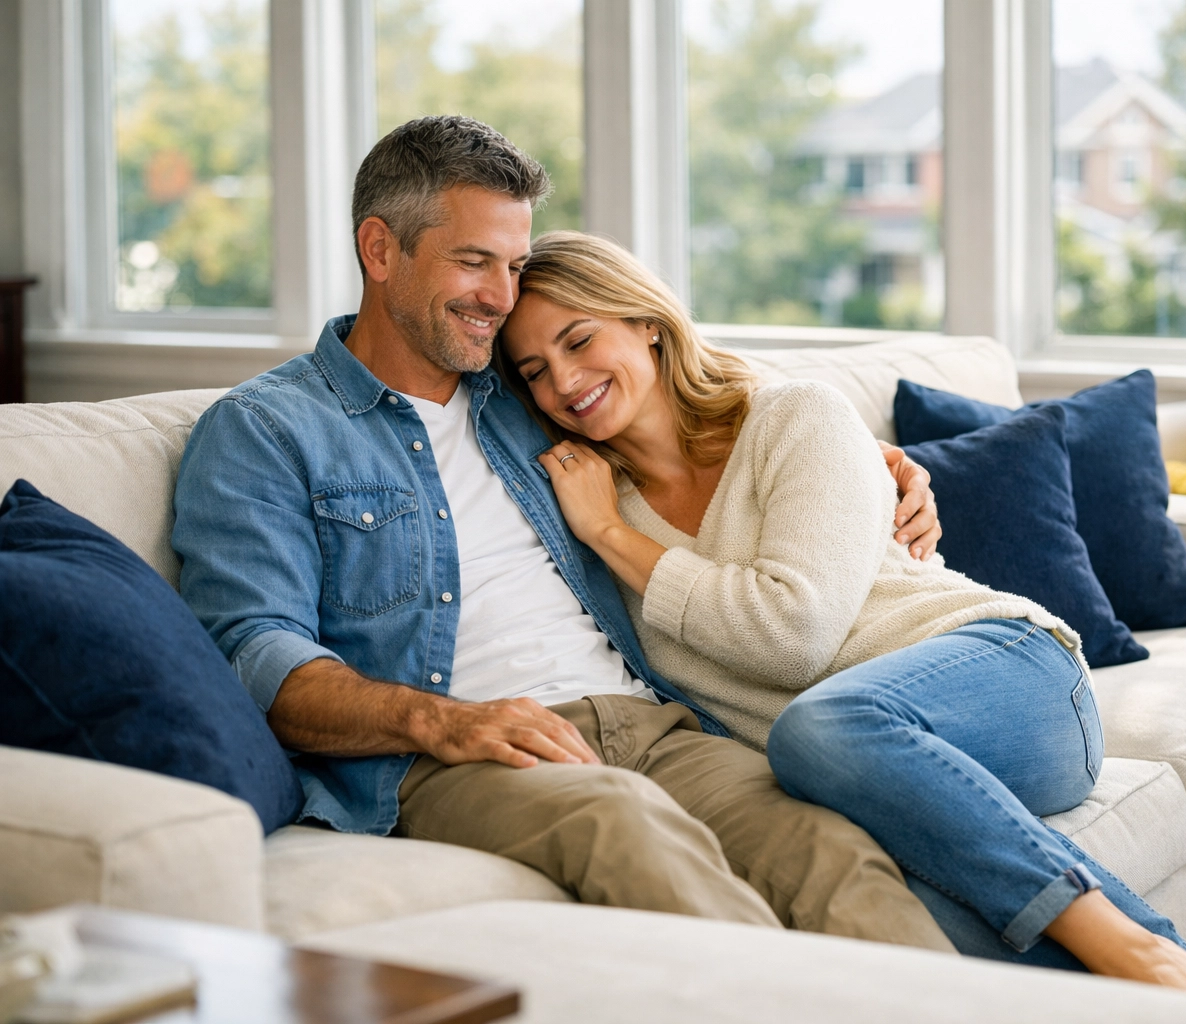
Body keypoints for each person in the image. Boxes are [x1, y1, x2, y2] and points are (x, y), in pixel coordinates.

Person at [172, 114, 958, 952]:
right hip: (463, 756)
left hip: (650, 723)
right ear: (380, 249)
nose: (502, 298)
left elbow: (695, 401)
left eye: (512, 266)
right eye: (473, 261)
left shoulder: (527, 400)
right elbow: (256, 654)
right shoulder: (266, 430)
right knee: (625, 827)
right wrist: (443, 722)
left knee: (825, 847)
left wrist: (870, 460)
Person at [499, 230, 1186, 1022]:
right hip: (858, 778)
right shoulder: (577, 497)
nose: (564, 380)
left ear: (648, 324)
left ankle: (1130, 941)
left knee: (823, 727)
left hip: (1011, 680)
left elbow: (791, 634)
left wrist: (610, 535)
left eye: (579, 339)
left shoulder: (787, 418)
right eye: (534, 371)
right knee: (944, 933)